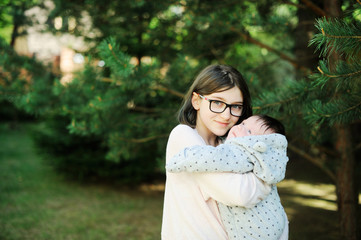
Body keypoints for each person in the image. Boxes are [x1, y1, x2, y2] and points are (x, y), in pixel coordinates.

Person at [161, 64, 280, 239]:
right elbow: (240, 195)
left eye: (236, 106)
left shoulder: (231, 145)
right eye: (217, 102)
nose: (226, 115)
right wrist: (265, 182)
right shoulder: (183, 137)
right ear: (197, 101)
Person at [167, 114, 289, 239]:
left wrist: (183, 159)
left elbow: (214, 158)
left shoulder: (243, 152)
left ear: (260, 144)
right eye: (243, 123)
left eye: (249, 131)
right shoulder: (265, 162)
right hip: (276, 223)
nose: (239, 128)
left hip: (254, 231)